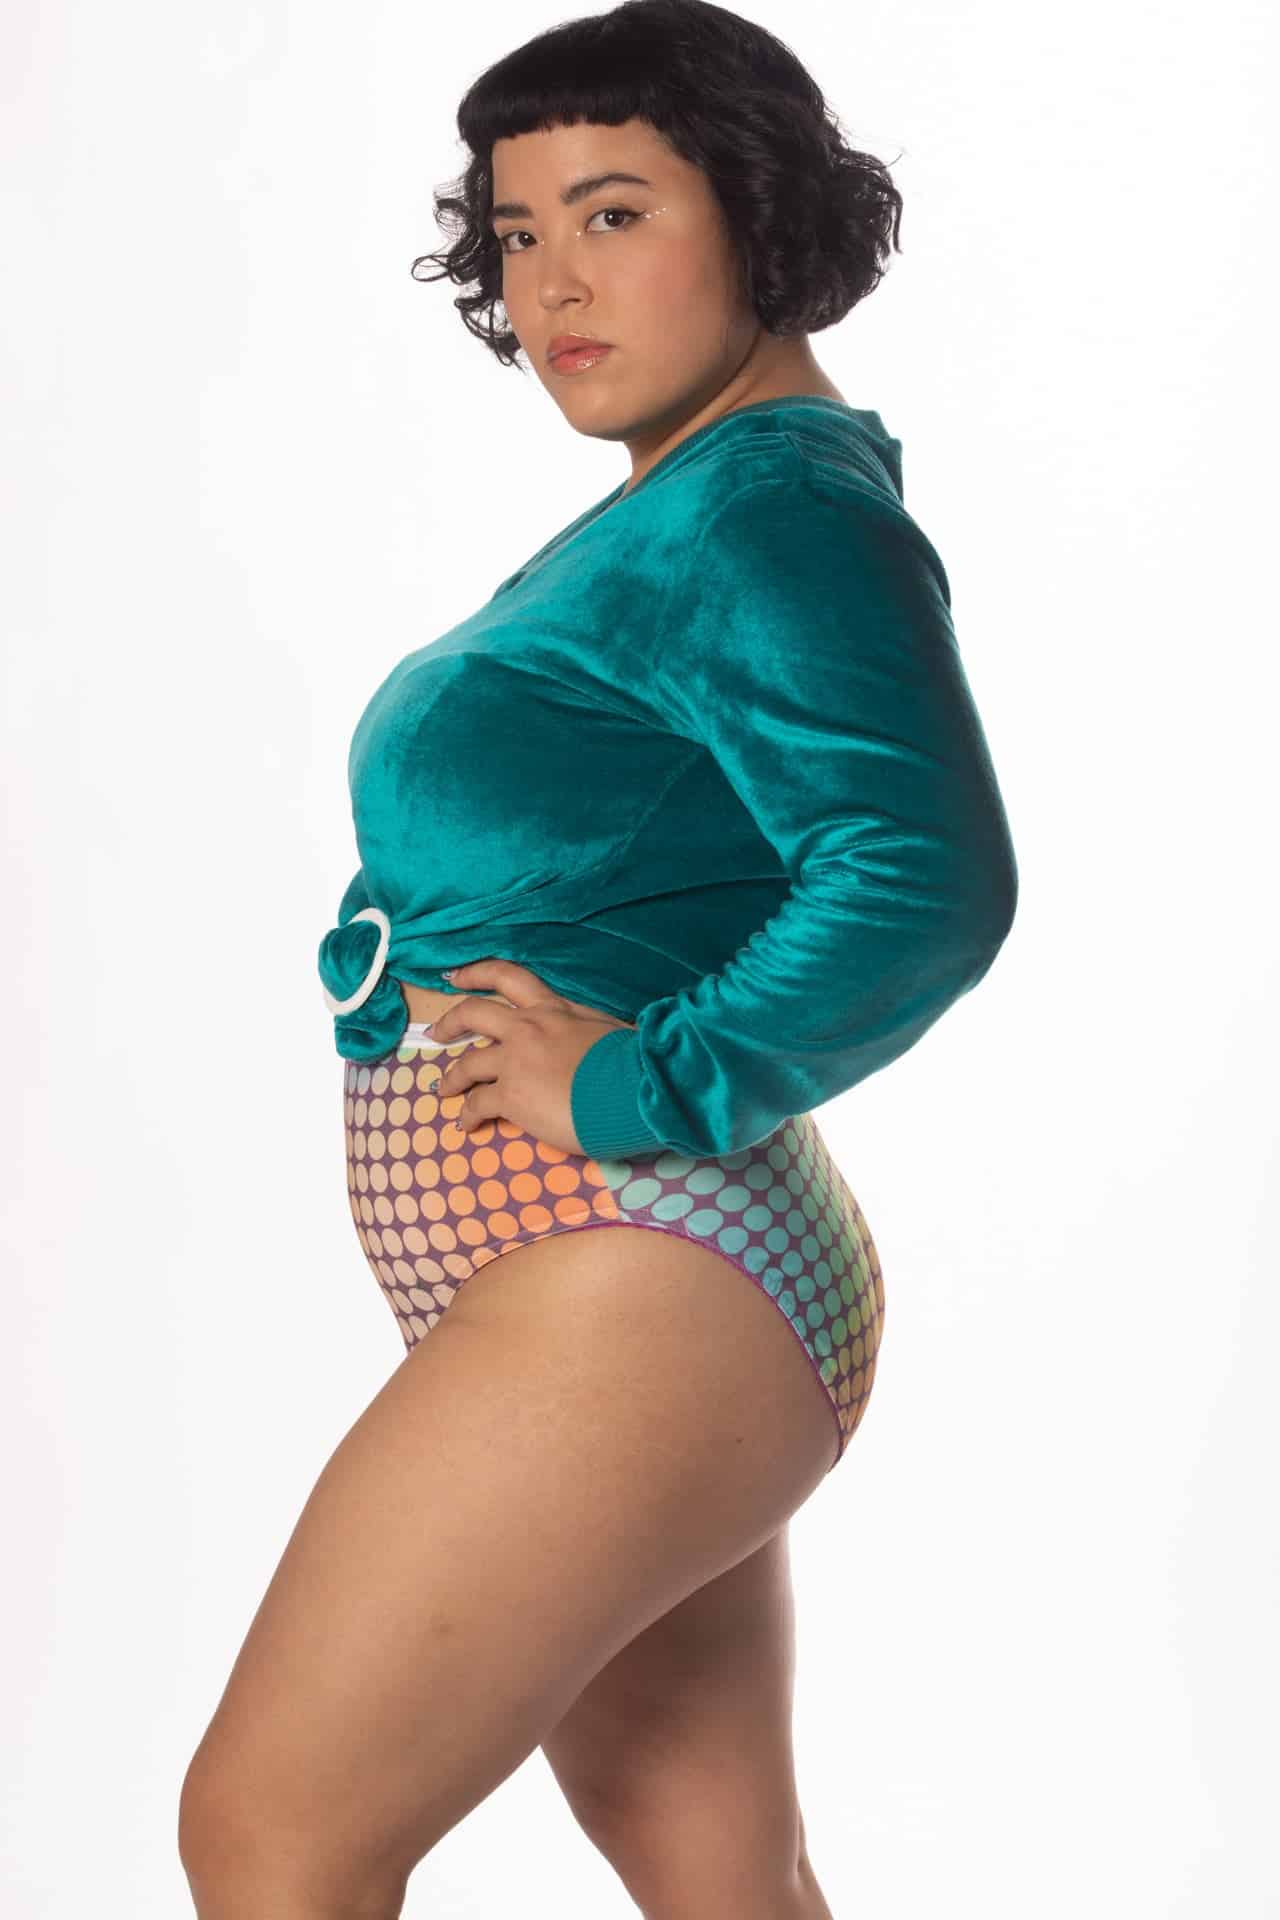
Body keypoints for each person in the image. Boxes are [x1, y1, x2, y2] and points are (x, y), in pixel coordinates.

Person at [178, 3, 1018, 1915]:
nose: (550, 281)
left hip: (633, 1267)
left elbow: (925, 875)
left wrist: (638, 1081)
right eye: (517, 231)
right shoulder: (694, 501)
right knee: (725, 1881)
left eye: (616, 213)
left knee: (273, 1834)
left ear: (761, 216)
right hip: (623, 1274)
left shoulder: (773, 507)